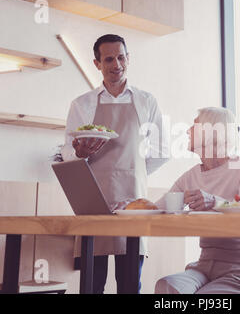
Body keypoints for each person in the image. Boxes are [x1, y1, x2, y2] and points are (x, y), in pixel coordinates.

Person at [61, 34, 169, 294]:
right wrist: (81, 153)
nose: (116, 64)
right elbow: (68, 154)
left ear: (128, 58)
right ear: (97, 63)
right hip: (92, 200)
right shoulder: (82, 104)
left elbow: (161, 151)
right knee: (92, 284)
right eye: (109, 59)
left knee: (130, 283)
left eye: (121, 57)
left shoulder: (146, 101)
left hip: (134, 201)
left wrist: (133, 172)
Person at [154, 107, 240, 294]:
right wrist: (130, 205)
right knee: (167, 286)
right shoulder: (191, 176)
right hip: (204, 266)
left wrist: (215, 201)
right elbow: (157, 207)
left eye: (194, 125)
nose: (187, 130)